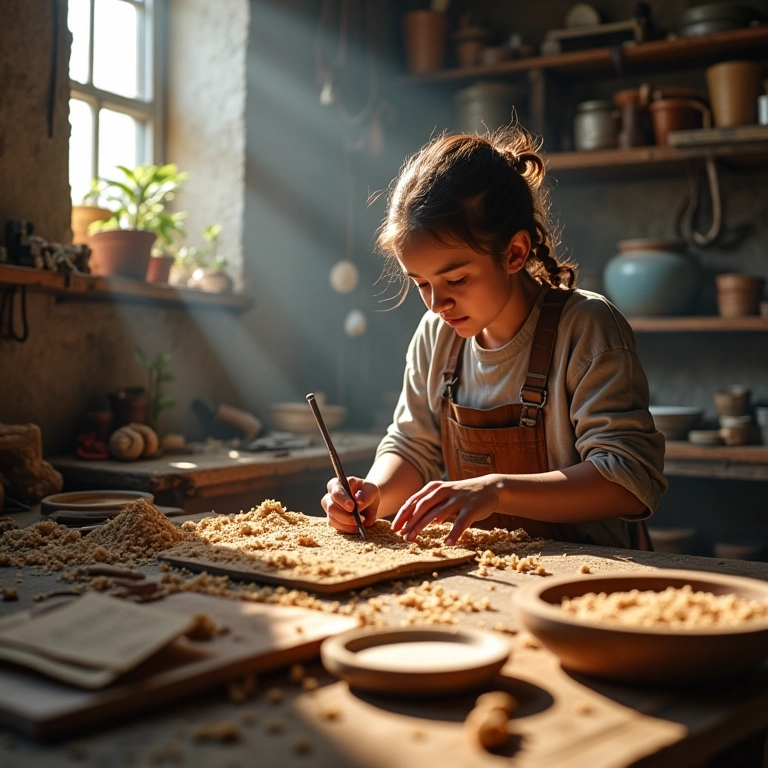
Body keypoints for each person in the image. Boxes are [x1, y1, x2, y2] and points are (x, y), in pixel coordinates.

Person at [321, 125, 667, 549]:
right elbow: (412, 446)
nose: (436, 304)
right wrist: (373, 493)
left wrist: (497, 489)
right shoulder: (438, 335)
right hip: (490, 570)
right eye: (421, 283)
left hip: (589, 572)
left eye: (456, 279)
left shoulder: (587, 327)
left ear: (514, 253)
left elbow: (628, 479)